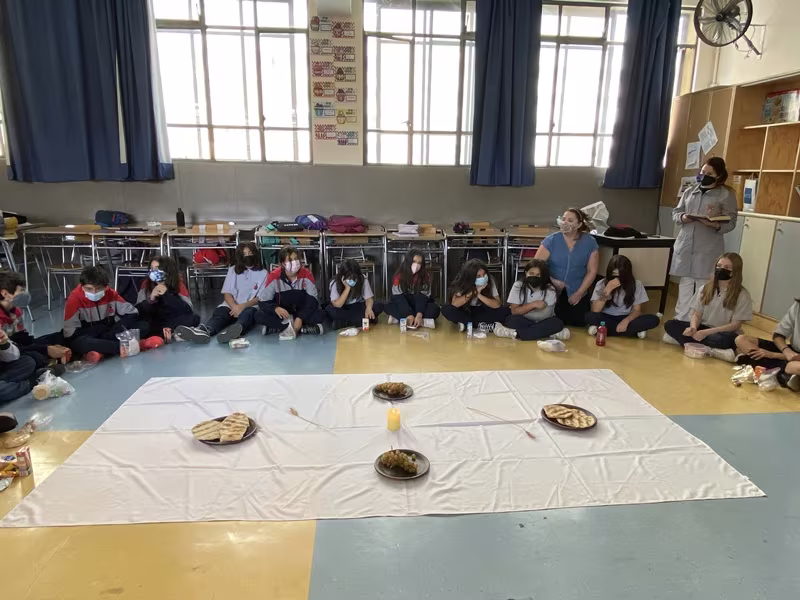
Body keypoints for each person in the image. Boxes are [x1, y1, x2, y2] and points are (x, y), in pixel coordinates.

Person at [669, 157, 738, 327]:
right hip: (686, 245)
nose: (704, 176)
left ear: (719, 176)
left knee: (703, 286)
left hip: (707, 247)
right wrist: (683, 217)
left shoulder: (726, 195)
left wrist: (715, 225)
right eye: (702, 172)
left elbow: (731, 222)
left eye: (709, 174)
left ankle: (697, 323)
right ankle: (680, 321)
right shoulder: (690, 191)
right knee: (686, 284)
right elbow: (676, 212)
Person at [663, 252, 752, 362]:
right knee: (670, 324)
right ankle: (711, 349)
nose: (721, 269)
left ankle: (686, 342)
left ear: (735, 271)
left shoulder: (742, 295)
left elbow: (735, 325)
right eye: (719, 266)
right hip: (703, 328)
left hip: (723, 332)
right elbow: (697, 314)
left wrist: (706, 333)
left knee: (727, 340)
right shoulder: (705, 288)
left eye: (727, 267)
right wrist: (693, 328)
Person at [176, 242, 266, 344]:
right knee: (220, 314)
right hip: (230, 305)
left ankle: (234, 331)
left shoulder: (264, 273)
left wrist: (242, 307)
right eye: (244, 254)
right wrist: (234, 307)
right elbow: (227, 293)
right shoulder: (232, 270)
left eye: (250, 253)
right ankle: (206, 330)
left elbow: (260, 298)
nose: (248, 256)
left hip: (250, 306)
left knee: (247, 316)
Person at [63, 266, 154, 363]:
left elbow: (132, 313)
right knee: (79, 343)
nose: (94, 292)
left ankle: (101, 351)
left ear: (106, 287)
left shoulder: (111, 294)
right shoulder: (74, 299)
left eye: (98, 289)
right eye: (88, 289)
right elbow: (70, 333)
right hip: (90, 336)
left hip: (111, 332)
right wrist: (98, 332)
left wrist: (114, 331)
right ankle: (127, 346)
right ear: (82, 286)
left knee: (144, 326)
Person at [534, 207, 599, 327]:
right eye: (563, 219)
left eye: (570, 220)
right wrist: (553, 281)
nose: (565, 223)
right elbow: (535, 267)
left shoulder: (590, 242)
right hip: (552, 289)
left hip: (578, 288)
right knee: (555, 320)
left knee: (579, 322)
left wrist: (579, 293)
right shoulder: (551, 240)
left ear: (579, 224)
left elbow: (592, 271)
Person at [0, 270, 70, 368]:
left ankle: (55, 358)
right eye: (21, 291)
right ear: (5, 294)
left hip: (19, 346)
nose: (25, 294)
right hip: (8, 354)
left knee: (58, 337)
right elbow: (14, 349)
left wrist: (47, 346)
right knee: (33, 359)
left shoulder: (16, 311)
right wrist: (46, 349)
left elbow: (23, 339)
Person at [254, 247, 326, 337]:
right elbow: (263, 301)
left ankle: (280, 328)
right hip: (283, 315)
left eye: (296, 259)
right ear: (283, 263)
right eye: (290, 260)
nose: (294, 262)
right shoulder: (274, 276)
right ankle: (303, 329)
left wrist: (301, 317)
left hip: (302, 311)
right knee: (259, 315)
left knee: (321, 314)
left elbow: (313, 301)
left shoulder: (307, 274)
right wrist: (275, 308)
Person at [584, 255, 660, 339]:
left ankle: (603, 330)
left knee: (653, 319)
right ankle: (632, 332)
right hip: (606, 316)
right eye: (614, 276)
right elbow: (595, 310)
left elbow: (637, 310)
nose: (618, 279)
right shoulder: (601, 283)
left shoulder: (637, 284)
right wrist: (607, 289)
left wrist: (626, 320)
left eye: (622, 276)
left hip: (627, 317)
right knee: (589, 316)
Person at [493, 259, 569, 341]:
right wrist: (533, 305)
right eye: (531, 273)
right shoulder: (518, 285)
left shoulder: (550, 289)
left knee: (557, 323)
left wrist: (523, 310)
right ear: (526, 273)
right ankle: (548, 333)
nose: (534, 277)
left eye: (538, 275)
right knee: (512, 320)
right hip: (525, 320)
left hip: (544, 320)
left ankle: (516, 334)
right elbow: (514, 311)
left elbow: (546, 315)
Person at [734, 298, 800, 392]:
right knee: (741, 339)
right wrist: (786, 350)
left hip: (795, 360)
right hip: (791, 350)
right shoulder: (797, 305)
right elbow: (778, 335)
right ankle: (781, 374)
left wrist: (772, 355)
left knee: (793, 366)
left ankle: (754, 363)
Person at [136, 256, 199, 341]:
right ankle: (172, 333)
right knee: (143, 326)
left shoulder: (178, 284)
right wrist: (150, 300)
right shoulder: (146, 284)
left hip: (170, 319)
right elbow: (137, 312)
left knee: (194, 319)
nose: (153, 272)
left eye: (156, 269)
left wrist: (167, 295)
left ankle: (168, 333)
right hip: (153, 322)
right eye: (151, 268)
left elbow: (188, 309)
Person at [441, 259, 509, 331]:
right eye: (478, 276)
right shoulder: (463, 282)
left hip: (482, 310)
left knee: (506, 311)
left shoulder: (490, 281)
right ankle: (482, 324)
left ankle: (468, 324)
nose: (482, 278)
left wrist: (479, 295)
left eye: (484, 275)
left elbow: (497, 304)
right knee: (446, 309)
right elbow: (455, 303)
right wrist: (474, 292)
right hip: (466, 310)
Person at [386, 249, 440, 328]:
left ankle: (401, 319)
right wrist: (408, 314)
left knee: (435, 309)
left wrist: (419, 314)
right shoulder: (399, 276)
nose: (416, 265)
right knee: (388, 306)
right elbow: (398, 298)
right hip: (404, 303)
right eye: (414, 261)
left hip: (418, 303)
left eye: (419, 263)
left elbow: (423, 297)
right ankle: (420, 321)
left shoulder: (425, 276)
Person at [325, 259, 384, 329]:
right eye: (349, 278)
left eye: (354, 278)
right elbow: (337, 305)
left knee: (377, 306)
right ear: (342, 276)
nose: (352, 280)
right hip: (343, 308)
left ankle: (344, 323)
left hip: (357, 306)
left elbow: (369, 298)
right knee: (330, 310)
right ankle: (363, 320)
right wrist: (347, 288)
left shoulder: (363, 279)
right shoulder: (335, 282)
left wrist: (369, 308)